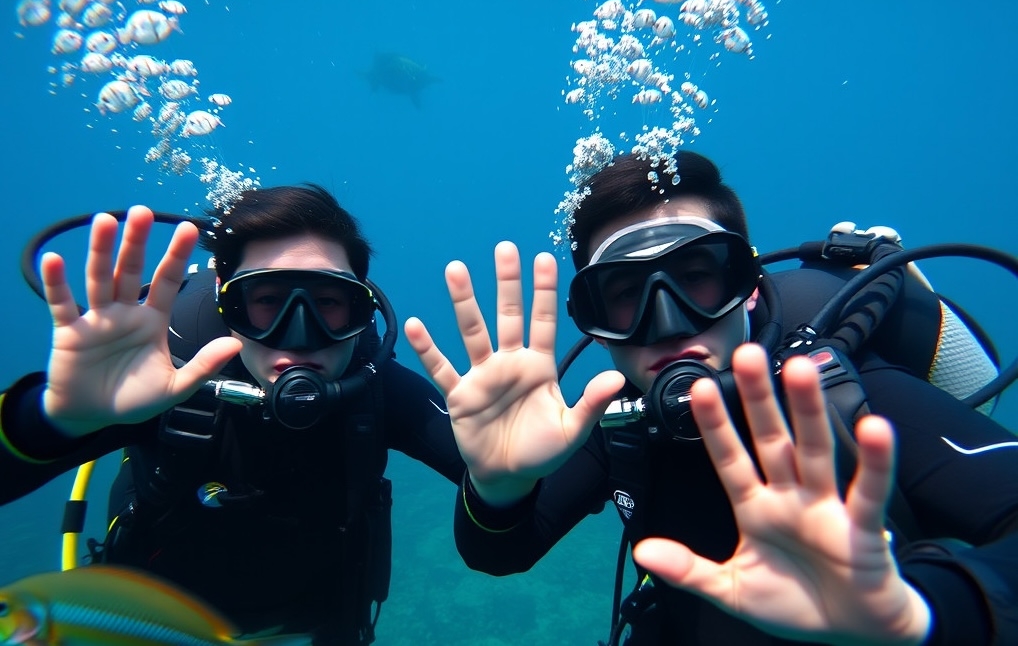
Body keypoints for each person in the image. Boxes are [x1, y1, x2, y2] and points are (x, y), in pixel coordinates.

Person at [404, 151, 1018, 645]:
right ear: (593, 324)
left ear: (749, 289)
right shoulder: (620, 425)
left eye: (697, 276)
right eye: (625, 294)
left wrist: (926, 615)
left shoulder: (843, 396)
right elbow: (501, 552)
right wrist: (497, 488)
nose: (668, 321)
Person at [0, 184, 465, 644]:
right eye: (266, 302)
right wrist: (51, 420)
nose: (299, 336)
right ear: (227, 301)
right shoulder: (160, 369)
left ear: (359, 305)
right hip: (145, 628)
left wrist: (512, 475)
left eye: (327, 302)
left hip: (316, 627)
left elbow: (508, 536)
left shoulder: (377, 385)